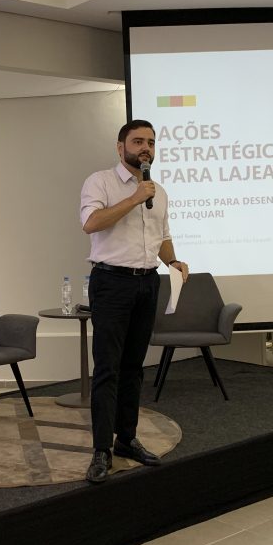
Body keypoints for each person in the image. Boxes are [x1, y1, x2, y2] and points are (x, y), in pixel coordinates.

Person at [79, 119, 189, 484]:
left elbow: (162, 236)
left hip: (147, 283)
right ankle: (101, 450)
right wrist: (133, 199)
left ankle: (125, 439)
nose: (146, 148)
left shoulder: (159, 191)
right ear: (120, 147)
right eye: (138, 141)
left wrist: (173, 262)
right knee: (107, 368)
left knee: (133, 367)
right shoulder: (100, 182)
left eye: (151, 143)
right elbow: (91, 223)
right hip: (111, 282)